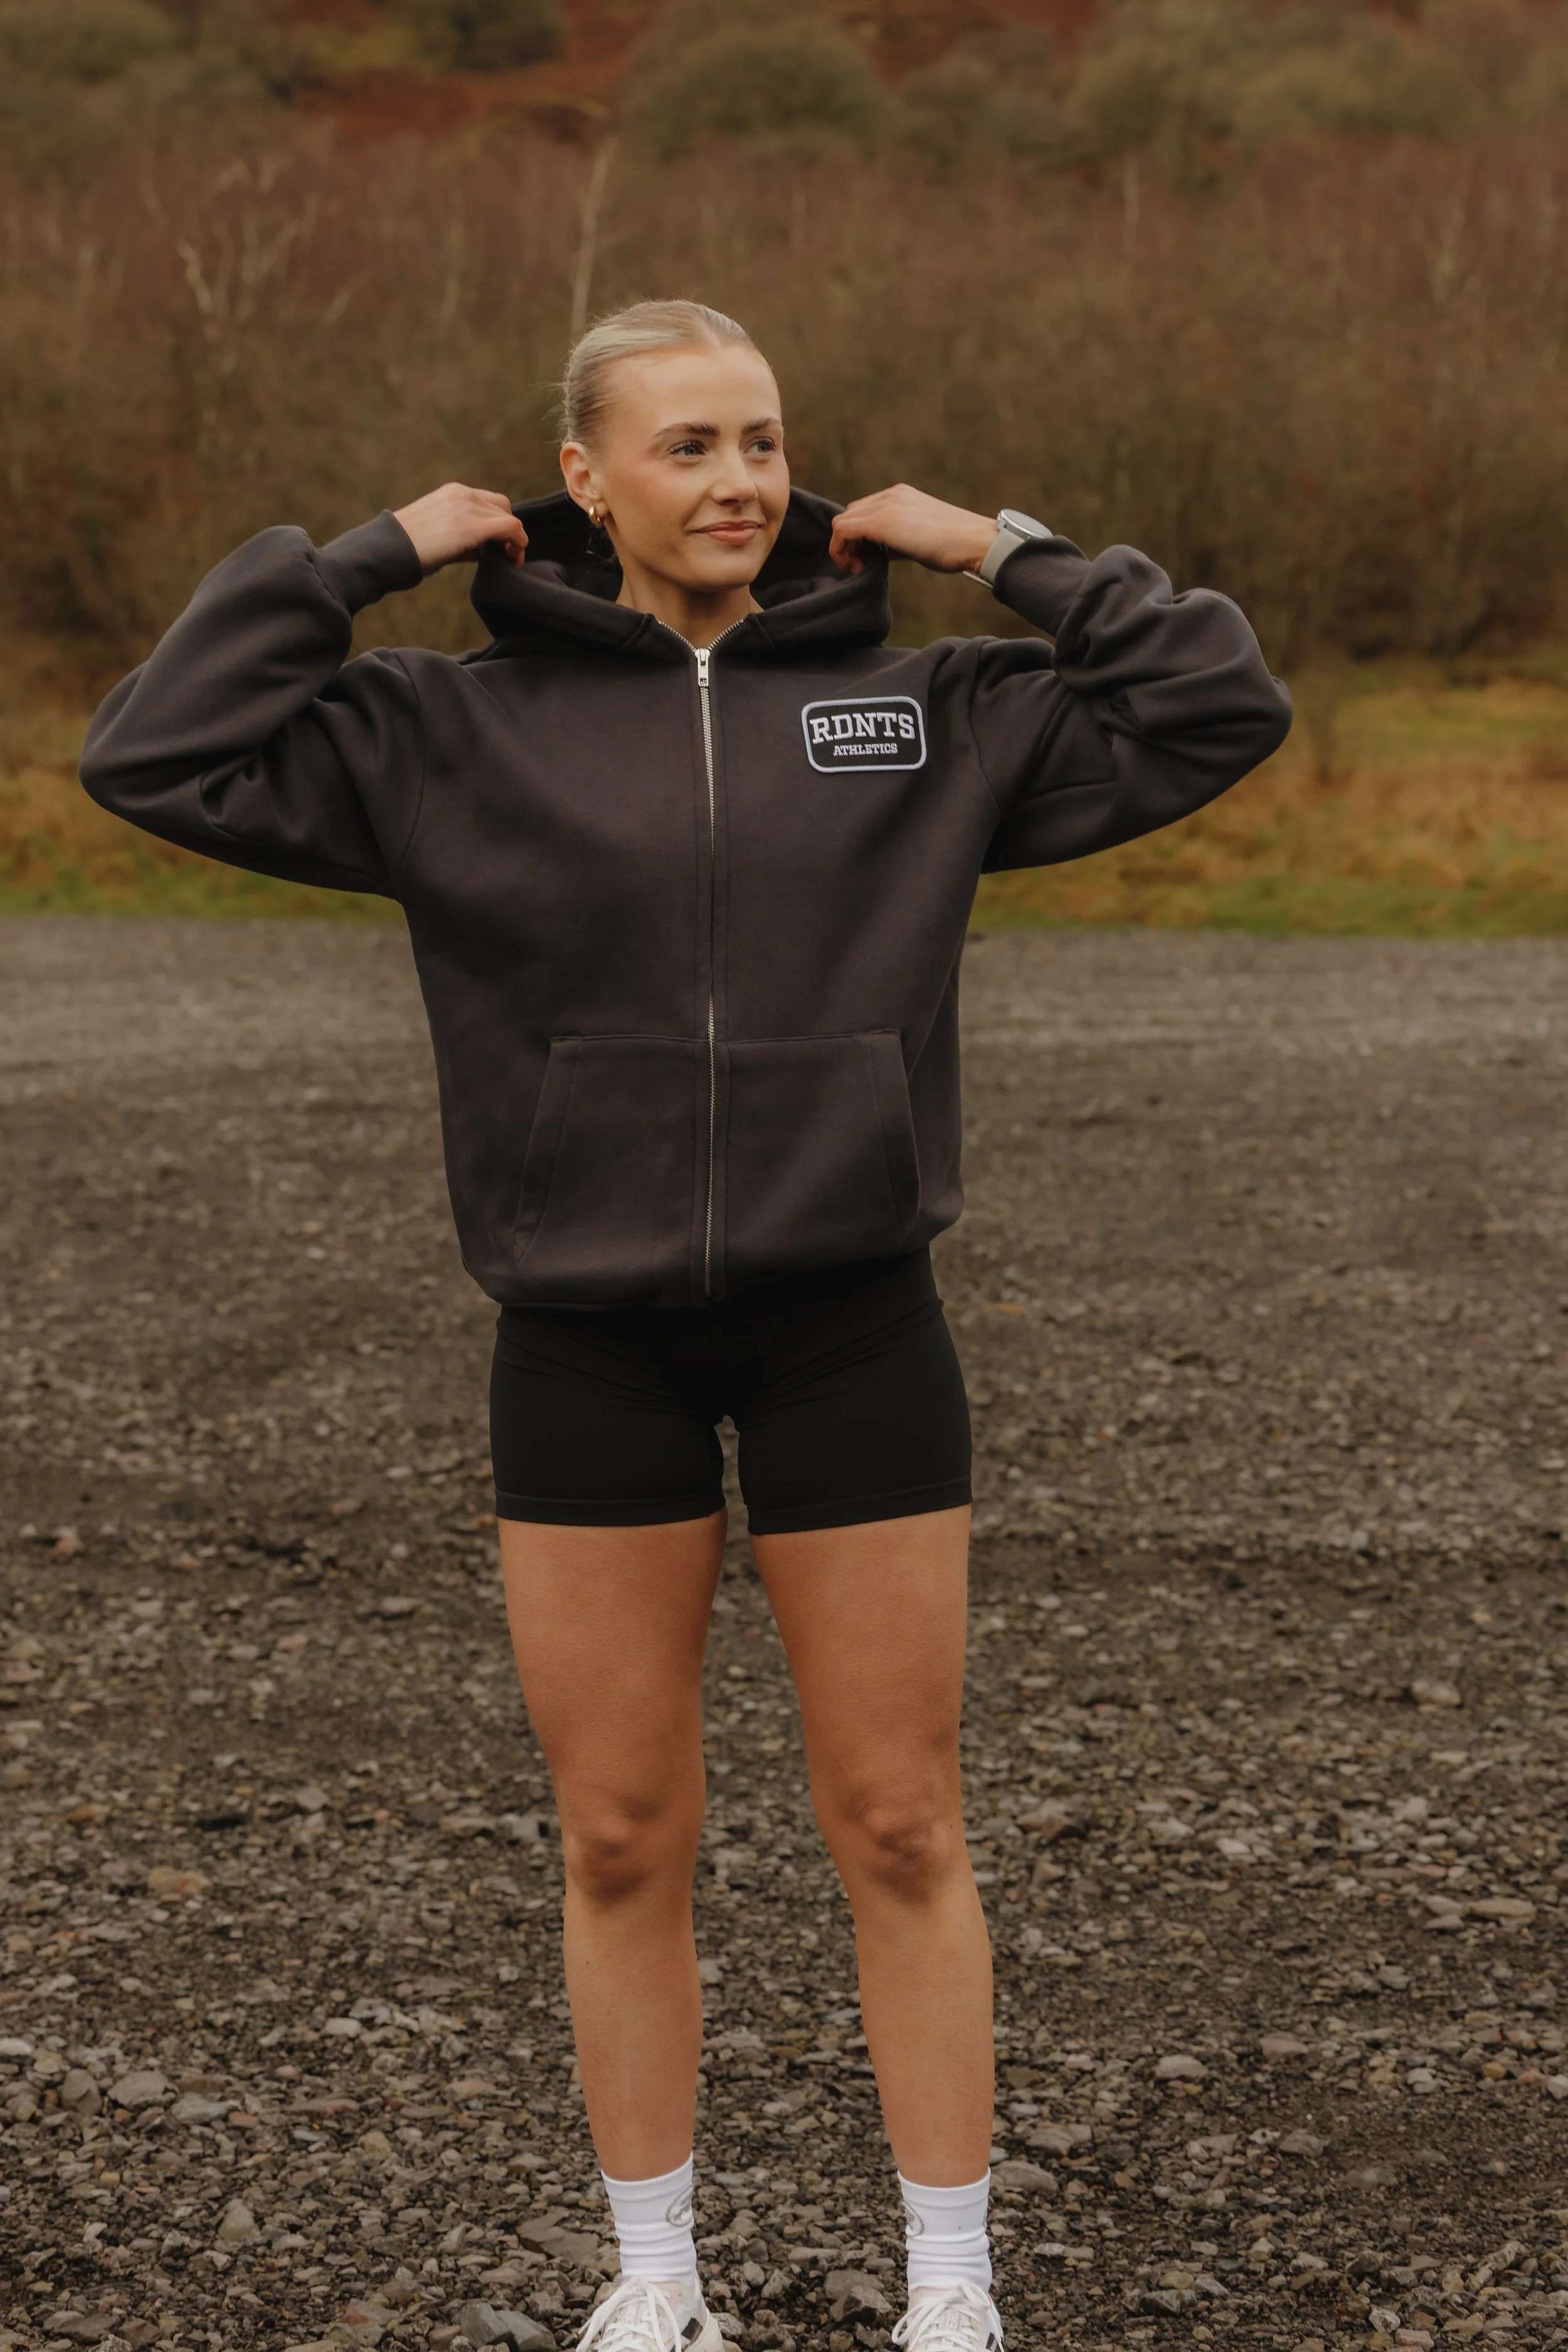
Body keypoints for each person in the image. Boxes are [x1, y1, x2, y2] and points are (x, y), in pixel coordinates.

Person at [82, 298, 1291, 2352]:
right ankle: (658, 2283)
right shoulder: (438, 732)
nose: (735, 481)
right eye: (686, 447)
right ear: (583, 480)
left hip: (851, 1328)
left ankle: (951, 2290)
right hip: (584, 1337)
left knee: (901, 1818)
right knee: (622, 1828)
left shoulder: (928, 710)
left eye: (761, 441)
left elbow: (1209, 704)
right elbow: (157, 746)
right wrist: (360, 558)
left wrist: (994, 540)